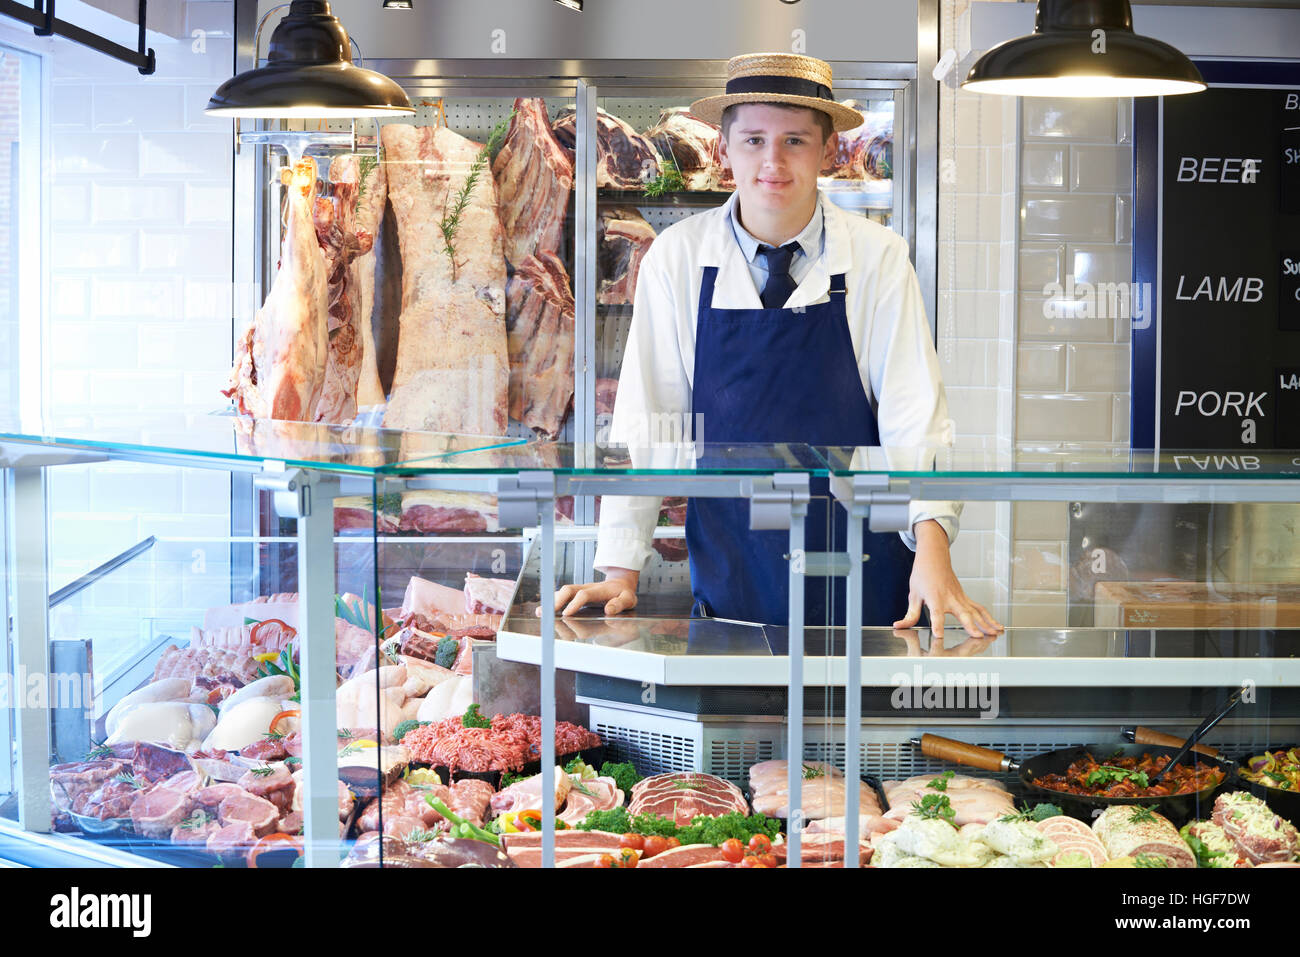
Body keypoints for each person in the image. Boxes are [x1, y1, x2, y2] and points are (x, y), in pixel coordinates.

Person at [553, 53, 1002, 639]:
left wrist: (933, 550)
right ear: (724, 150)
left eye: (794, 140)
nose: (772, 161)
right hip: (732, 568)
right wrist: (620, 568)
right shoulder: (679, 257)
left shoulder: (878, 256)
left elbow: (914, 418)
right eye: (754, 139)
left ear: (828, 151)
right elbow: (649, 418)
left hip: (869, 579)